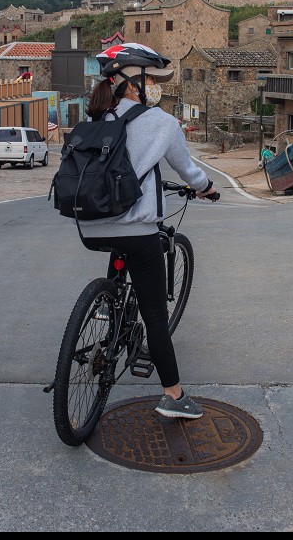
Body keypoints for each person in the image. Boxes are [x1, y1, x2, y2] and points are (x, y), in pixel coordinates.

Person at [78, 42, 218, 420]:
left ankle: (108, 309)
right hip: (137, 232)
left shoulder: (94, 121)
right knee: (155, 314)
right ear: (131, 81)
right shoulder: (161, 123)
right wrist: (207, 189)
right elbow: (188, 171)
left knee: (117, 243)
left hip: (89, 226)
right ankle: (173, 396)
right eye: (152, 78)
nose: (155, 85)